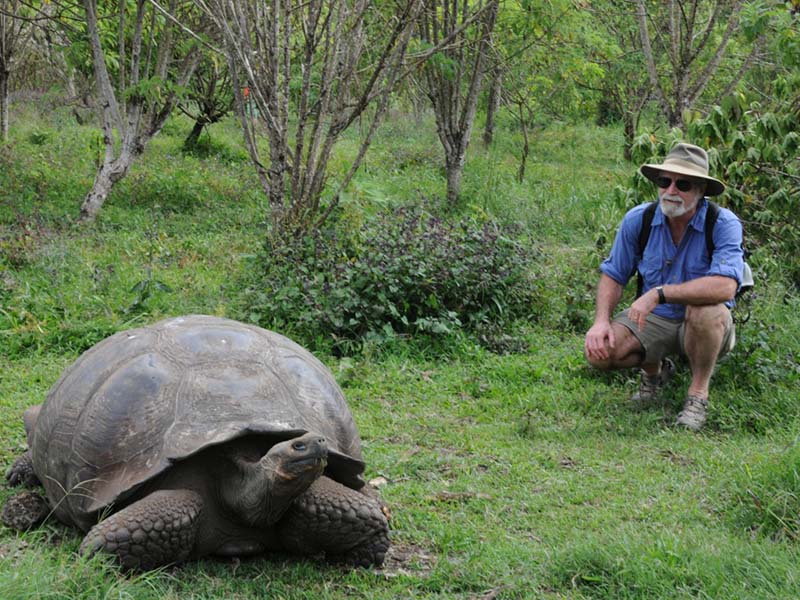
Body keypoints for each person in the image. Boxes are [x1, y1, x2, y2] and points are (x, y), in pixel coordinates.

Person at [584, 143, 745, 431]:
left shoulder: (722, 223)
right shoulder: (640, 219)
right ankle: (654, 373)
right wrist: (600, 322)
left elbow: (725, 287)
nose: (671, 190)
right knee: (601, 352)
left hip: (702, 323)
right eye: (664, 181)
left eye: (682, 184)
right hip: (657, 320)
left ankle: (697, 395)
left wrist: (660, 293)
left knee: (705, 312)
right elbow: (613, 274)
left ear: (700, 191)